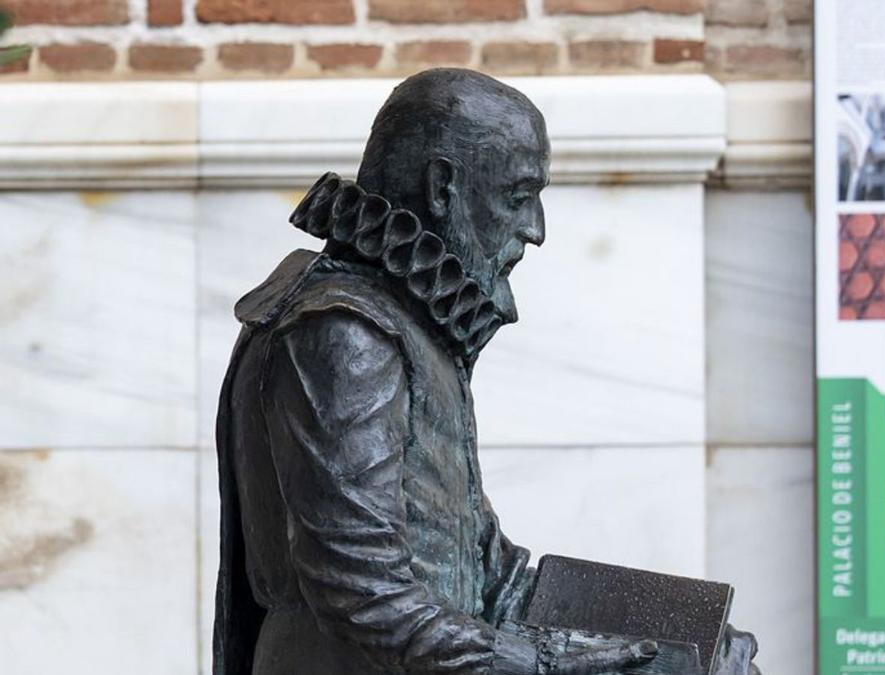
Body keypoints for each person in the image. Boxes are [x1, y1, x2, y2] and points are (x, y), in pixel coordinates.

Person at [213, 68, 757, 675]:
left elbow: (484, 575)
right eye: (519, 197)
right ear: (443, 187)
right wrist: (548, 663)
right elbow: (362, 592)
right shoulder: (347, 334)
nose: (536, 230)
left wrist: (681, 642)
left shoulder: (409, 328)